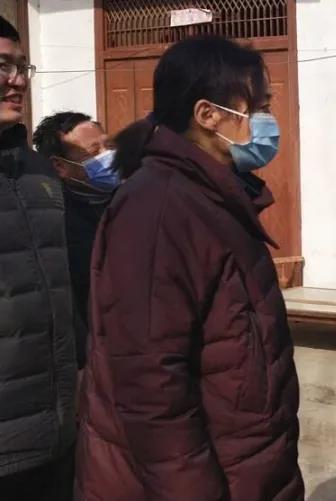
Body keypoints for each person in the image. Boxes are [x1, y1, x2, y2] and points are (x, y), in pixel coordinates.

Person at [76, 35, 303, 501]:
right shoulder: (158, 208)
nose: (268, 122)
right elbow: (150, 386)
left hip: (244, 466)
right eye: (258, 108)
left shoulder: (212, 195)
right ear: (207, 114)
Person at [0, 16, 78, 501]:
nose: (18, 80)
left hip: (56, 430)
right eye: (1, 66)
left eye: (22, 66)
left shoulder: (37, 172)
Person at [33, 112, 116, 370]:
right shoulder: (54, 221)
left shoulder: (135, 198)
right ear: (60, 166)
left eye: (108, 145)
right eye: (94, 152)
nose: (108, 156)